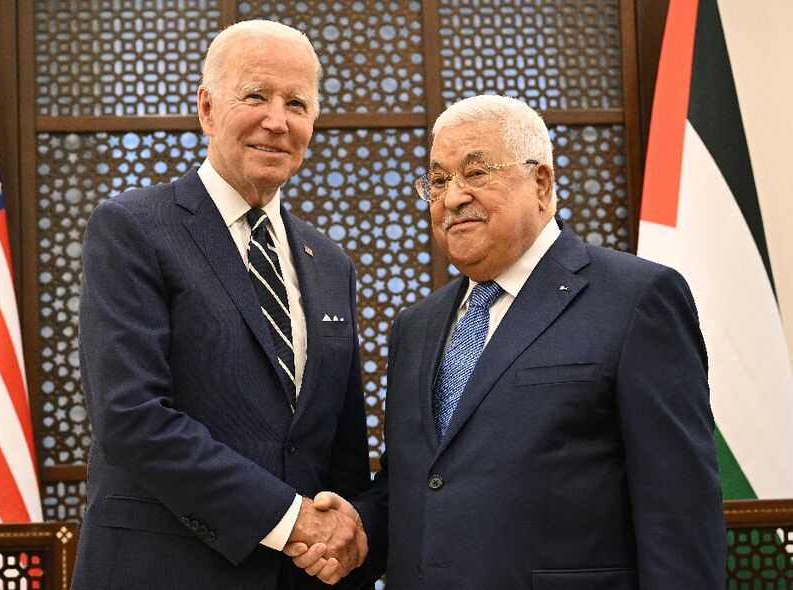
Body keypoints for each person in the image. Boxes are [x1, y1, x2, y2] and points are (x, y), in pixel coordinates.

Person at [290, 94, 727, 588]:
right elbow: (418, 484)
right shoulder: (416, 325)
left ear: (541, 183)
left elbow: (680, 512)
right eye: (437, 180)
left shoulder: (636, 299)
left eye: (476, 174)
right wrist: (359, 532)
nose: (452, 198)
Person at [71, 20, 371, 590]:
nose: (276, 121)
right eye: (255, 96)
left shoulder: (331, 262)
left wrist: (344, 541)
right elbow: (132, 418)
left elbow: (342, 448)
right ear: (207, 109)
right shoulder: (133, 228)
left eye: (297, 103)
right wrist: (291, 521)